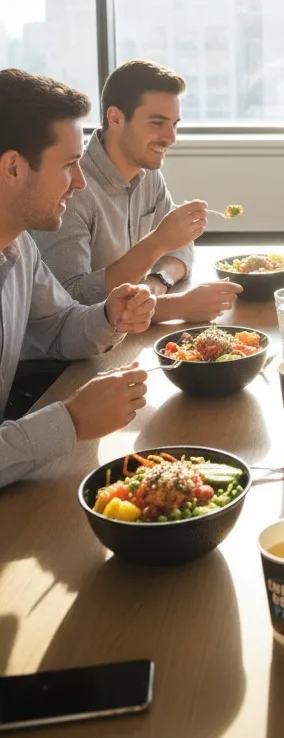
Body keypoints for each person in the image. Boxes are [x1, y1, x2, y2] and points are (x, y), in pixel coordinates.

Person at [0, 69, 154, 489]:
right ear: (13, 168)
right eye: (69, 165)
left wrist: (108, 315)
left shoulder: (18, 247)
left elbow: (59, 326)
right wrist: (71, 420)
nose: (81, 181)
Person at [33, 60, 241, 323]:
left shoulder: (149, 172)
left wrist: (158, 281)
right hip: (72, 358)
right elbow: (70, 301)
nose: (171, 138)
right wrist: (172, 302)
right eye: (157, 123)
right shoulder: (71, 188)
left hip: (124, 339)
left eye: (175, 124)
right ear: (115, 118)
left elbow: (181, 248)